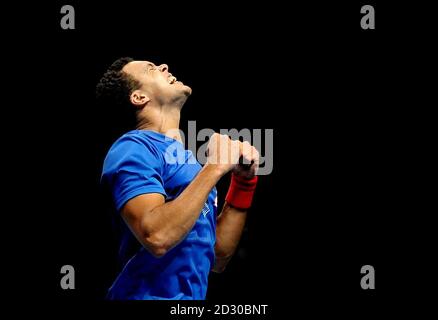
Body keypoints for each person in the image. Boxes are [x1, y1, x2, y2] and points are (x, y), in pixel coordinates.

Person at [96, 57, 259, 300]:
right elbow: (157, 236)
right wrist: (215, 166)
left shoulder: (190, 165)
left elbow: (217, 255)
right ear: (139, 97)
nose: (164, 66)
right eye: (151, 69)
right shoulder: (131, 149)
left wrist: (243, 183)